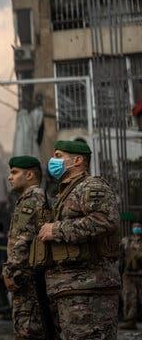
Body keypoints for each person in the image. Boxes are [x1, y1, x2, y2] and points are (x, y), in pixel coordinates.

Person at [38, 140, 120, 339]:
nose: (52, 161)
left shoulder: (90, 186)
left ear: (77, 160)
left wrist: (56, 230)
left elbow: (105, 220)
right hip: (70, 289)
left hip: (89, 288)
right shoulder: (65, 192)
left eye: (58, 156)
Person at [3, 156, 53, 339]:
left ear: (30, 175)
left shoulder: (30, 200)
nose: (10, 177)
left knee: (27, 331)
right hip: (39, 277)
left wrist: (11, 270)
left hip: (26, 278)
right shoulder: (45, 197)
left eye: (14, 172)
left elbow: (21, 239)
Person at [119, 220, 142, 330]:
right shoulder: (125, 240)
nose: (137, 228)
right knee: (129, 297)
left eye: (139, 226)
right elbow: (120, 256)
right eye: (135, 226)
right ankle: (130, 321)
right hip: (129, 274)